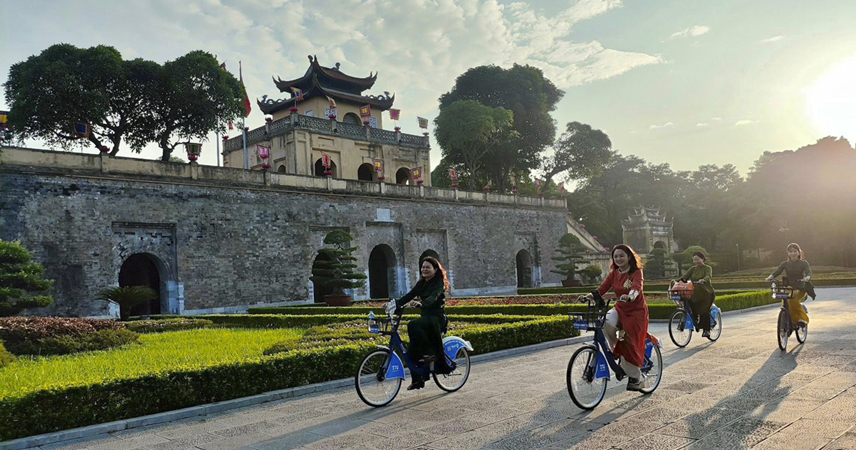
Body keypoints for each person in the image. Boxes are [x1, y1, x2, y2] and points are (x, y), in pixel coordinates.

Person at [579, 244, 649, 391]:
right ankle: (617, 351)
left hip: (636, 312)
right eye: (616, 256)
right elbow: (602, 289)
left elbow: (637, 287)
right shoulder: (614, 274)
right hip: (620, 308)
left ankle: (637, 378)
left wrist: (630, 296)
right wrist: (588, 297)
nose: (618, 259)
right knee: (605, 323)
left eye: (621, 256)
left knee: (629, 341)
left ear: (629, 256)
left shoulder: (636, 272)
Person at [395, 256, 450, 390]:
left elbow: (434, 297)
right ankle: (418, 380)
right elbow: (409, 296)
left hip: (436, 318)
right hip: (426, 319)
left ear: (435, 269)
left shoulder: (439, 283)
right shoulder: (421, 283)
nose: (424, 269)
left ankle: (430, 353)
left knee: (413, 324)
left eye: (428, 267)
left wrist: (422, 304)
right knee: (413, 348)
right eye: (423, 267)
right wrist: (393, 304)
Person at [765, 243, 813, 327]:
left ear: (799, 252)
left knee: (793, 299)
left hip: (800, 288)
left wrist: (807, 277)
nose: (793, 253)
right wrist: (770, 277)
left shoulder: (804, 263)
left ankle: (802, 319)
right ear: (788, 253)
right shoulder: (785, 264)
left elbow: (808, 272)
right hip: (789, 287)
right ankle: (786, 319)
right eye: (790, 251)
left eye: (795, 251)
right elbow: (777, 271)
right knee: (785, 299)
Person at [672, 251, 715, 338]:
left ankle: (706, 330)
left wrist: (703, 280)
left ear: (702, 259)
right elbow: (684, 277)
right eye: (694, 260)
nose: (696, 261)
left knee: (703, 311)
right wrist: (676, 281)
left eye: (697, 259)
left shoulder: (707, 268)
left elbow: (708, 276)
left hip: (706, 293)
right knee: (691, 308)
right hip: (695, 294)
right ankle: (696, 323)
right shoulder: (692, 269)